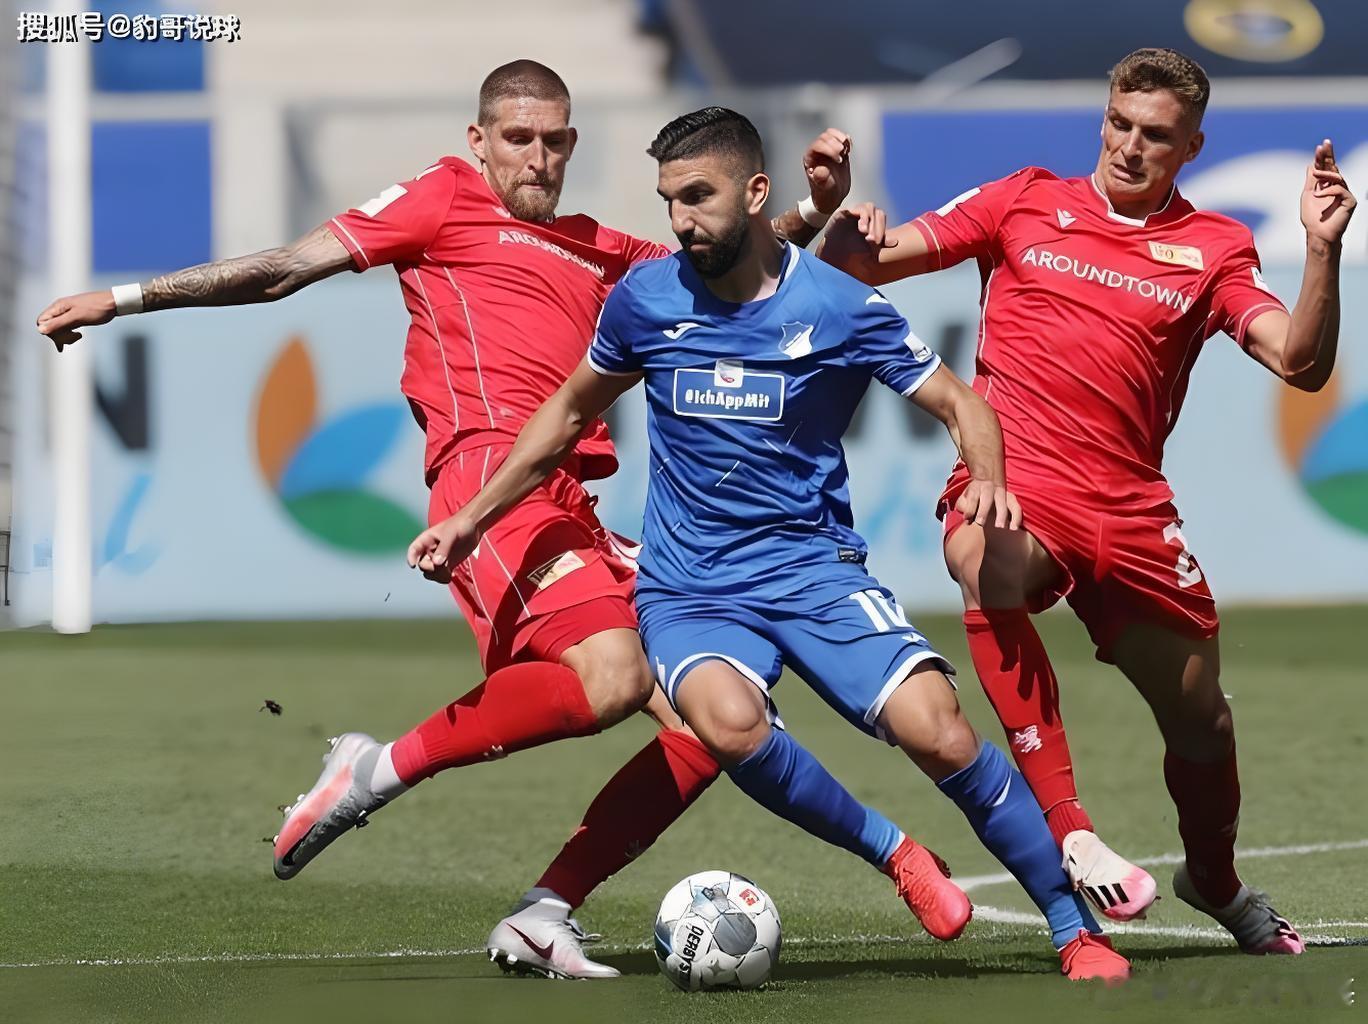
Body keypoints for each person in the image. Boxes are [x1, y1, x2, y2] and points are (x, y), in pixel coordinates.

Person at [34, 61, 884, 978]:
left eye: (557, 139)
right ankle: (378, 769)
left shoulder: (598, 248)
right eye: (520, 138)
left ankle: (544, 912)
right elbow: (286, 269)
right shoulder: (442, 199)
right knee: (610, 676)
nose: (540, 156)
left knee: (722, 718)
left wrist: (809, 209)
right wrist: (125, 299)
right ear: (480, 141)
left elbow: (721, 255)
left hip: (570, 502)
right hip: (486, 480)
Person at [413, 106, 1132, 982]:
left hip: (813, 571)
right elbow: (565, 415)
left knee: (938, 732)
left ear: (757, 193)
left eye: (699, 197)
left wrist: (986, 477)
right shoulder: (645, 300)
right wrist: (470, 517)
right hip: (692, 590)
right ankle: (898, 854)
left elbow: (962, 404)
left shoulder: (836, 304)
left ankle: (1073, 928)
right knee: (727, 724)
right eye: (669, 200)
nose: (681, 220)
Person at [817, 47, 1355, 950]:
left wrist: (1323, 252)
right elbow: (863, 264)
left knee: (1201, 718)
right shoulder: (1024, 199)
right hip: (1018, 486)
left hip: (1132, 510)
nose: (1130, 147)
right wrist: (839, 218)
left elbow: (1299, 364)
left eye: (1156, 136)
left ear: (1191, 147)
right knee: (979, 554)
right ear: (1102, 117)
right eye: (1119, 124)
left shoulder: (1217, 245)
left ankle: (1215, 882)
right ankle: (1071, 830)